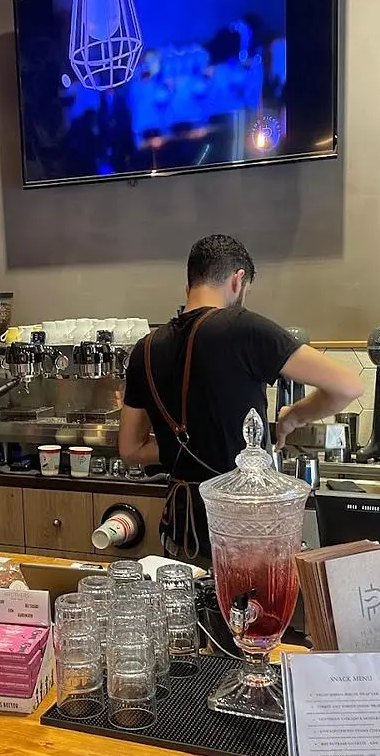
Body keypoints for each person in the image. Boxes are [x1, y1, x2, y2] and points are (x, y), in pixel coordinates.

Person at [119, 234, 363, 565]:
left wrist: (191, 447)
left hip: (182, 533)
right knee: (249, 601)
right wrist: (294, 416)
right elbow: (347, 385)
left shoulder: (145, 350)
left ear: (189, 285)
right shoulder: (243, 328)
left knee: (189, 600)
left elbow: (130, 449)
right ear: (238, 280)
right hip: (244, 533)